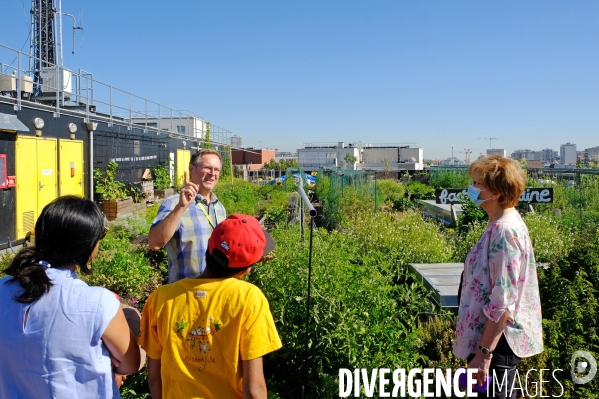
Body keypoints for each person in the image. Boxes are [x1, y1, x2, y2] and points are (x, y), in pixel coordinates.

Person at [0, 196, 141, 398]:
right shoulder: (98, 302)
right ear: (88, 245)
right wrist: (131, 319)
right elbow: (131, 364)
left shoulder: (3, 288)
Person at [139, 214, 282, 399]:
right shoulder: (249, 298)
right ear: (247, 269)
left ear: (209, 248)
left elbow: (154, 378)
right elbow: (254, 389)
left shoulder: (161, 298)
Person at [453, 155, 543, 399]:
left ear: (495, 191)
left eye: (476, 183)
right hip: (491, 340)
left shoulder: (505, 232)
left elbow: (503, 301)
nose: (470, 188)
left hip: (495, 344)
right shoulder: (499, 224)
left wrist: (484, 354)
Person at [148, 149, 227, 282]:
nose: (212, 174)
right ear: (192, 169)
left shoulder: (219, 207)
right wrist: (181, 207)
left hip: (215, 293)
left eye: (216, 169)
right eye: (207, 168)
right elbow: (154, 243)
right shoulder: (174, 203)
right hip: (185, 295)